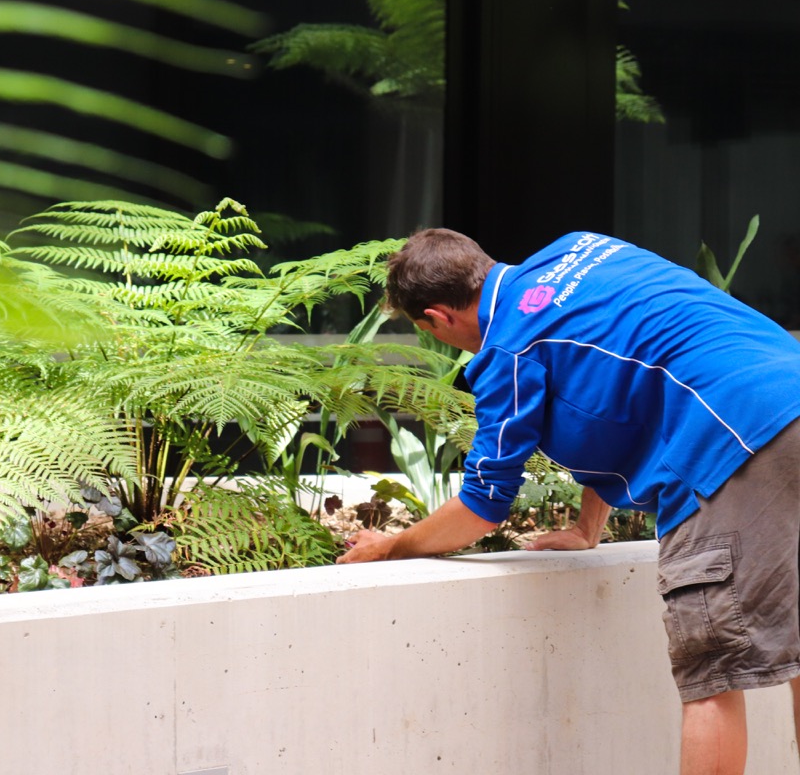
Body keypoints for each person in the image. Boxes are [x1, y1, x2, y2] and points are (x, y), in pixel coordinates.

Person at [337, 227, 800, 775]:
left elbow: (482, 508)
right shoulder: (580, 248)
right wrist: (588, 527)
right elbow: (617, 386)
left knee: (713, 671)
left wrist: (392, 546)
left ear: (437, 319)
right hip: (787, 391)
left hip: (732, 439)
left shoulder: (509, 348)